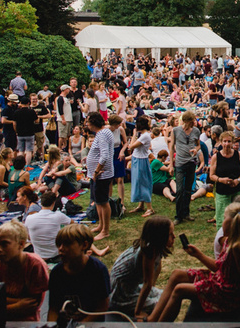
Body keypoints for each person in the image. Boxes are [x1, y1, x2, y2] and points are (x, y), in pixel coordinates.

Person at [148, 204, 240, 321]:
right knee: (176, 274)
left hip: (227, 295)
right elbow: (218, 268)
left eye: (224, 218)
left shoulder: (238, 247)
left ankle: (160, 326)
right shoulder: (229, 240)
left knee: (180, 290)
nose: (221, 221)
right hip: (219, 281)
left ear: (231, 223)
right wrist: (198, 254)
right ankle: (152, 320)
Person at [109, 216, 175, 320]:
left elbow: (156, 268)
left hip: (134, 287)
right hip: (122, 294)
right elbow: (147, 283)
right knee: (166, 303)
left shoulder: (156, 247)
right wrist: (138, 312)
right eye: (170, 234)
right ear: (160, 236)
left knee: (168, 295)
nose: (174, 237)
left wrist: (151, 289)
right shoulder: (148, 252)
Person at [48, 224, 111, 325]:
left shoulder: (97, 270)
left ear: (84, 245)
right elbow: (53, 309)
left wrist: (81, 325)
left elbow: (102, 307)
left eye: (67, 244)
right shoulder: (57, 273)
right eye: (59, 244)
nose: (60, 248)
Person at [0, 220, 49, 321]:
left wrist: (4, 302)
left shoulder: (35, 265)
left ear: (21, 244)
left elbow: (33, 304)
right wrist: (17, 306)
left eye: (4, 244)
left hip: (28, 322)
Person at [85, 112, 114, 241]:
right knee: (98, 201)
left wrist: (96, 171)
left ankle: (105, 230)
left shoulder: (102, 134)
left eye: (88, 122)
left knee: (103, 201)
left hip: (101, 174)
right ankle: (101, 225)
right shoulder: (104, 133)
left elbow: (104, 156)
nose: (87, 125)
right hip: (98, 174)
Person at [24, 191, 77, 262]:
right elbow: (73, 224)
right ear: (53, 203)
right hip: (56, 255)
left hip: (39, 256)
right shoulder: (58, 215)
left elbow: (28, 237)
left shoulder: (29, 218)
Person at [210, 131, 240, 228]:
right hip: (222, 190)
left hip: (238, 189)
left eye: (229, 141)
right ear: (221, 142)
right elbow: (211, 175)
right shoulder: (216, 157)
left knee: (239, 215)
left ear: (233, 142)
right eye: (225, 141)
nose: (227, 144)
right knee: (222, 217)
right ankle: (222, 238)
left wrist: (238, 180)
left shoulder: (238, 155)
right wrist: (221, 180)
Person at [171, 111, 201, 225]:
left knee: (188, 189)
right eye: (191, 122)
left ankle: (186, 212)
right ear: (185, 121)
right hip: (179, 163)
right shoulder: (176, 130)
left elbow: (198, 144)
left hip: (191, 162)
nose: (193, 124)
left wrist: (196, 150)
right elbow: (171, 147)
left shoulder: (196, 131)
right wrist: (170, 164)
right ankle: (178, 216)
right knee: (179, 190)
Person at [129, 117, 154, 217]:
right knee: (138, 182)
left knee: (143, 182)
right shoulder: (143, 135)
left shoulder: (145, 136)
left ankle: (149, 208)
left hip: (141, 160)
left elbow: (131, 146)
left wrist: (134, 134)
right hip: (137, 159)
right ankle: (141, 205)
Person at [12, 95, 38, 165]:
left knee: (20, 150)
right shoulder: (31, 111)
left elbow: (14, 124)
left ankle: (19, 164)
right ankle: (27, 165)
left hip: (20, 133)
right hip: (30, 133)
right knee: (29, 150)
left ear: (20, 103)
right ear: (28, 103)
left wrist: (16, 131)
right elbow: (37, 121)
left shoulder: (16, 112)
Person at [55, 85, 74, 152]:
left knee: (66, 135)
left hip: (68, 118)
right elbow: (60, 109)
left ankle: (65, 147)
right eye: (68, 89)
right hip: (63, 119)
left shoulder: (66, 98)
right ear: (65, 89)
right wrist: (63, 118)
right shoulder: (60, 98)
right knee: (62, 135)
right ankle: (59, 148)